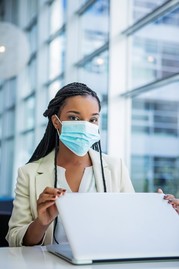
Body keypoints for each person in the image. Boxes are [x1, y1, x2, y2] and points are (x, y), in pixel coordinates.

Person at [6, 82, 134, 247]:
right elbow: (15, 240)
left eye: (93, 119)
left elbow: (132, 224)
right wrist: (42, 222)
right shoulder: (28, 173)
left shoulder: (116, 168)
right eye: (74, 118)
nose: (85, 126)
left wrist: (164, 210)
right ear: (56, 122)